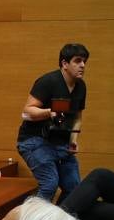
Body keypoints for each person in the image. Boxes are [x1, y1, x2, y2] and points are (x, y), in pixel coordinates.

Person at [17, 43, 88, 202]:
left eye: (84, 61)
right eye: (77, 61)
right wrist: (49, 112)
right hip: (34, 140)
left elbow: (77, 117)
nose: (82, 65)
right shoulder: (48, 81)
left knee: (74, 187)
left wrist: (73, 141)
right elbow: (27, 111)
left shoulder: (81, 87)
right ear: (64, 64)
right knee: (49, 184)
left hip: (60, 142)